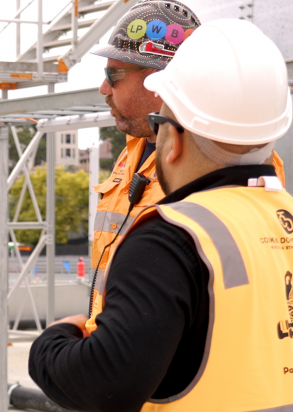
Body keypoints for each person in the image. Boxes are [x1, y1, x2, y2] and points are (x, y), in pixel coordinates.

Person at [29, 19, 293, 412]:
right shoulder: (280, 217)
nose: (104, 88)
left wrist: (54, 343)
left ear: (170, 143)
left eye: (114, 73)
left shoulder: (174, 235)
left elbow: (110, 381)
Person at [88, 0, 285, 313]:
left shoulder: (231, 161)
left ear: (159, 80)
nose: (103, 88)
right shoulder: (135, 149)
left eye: (113, 75)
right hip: (118, 342)